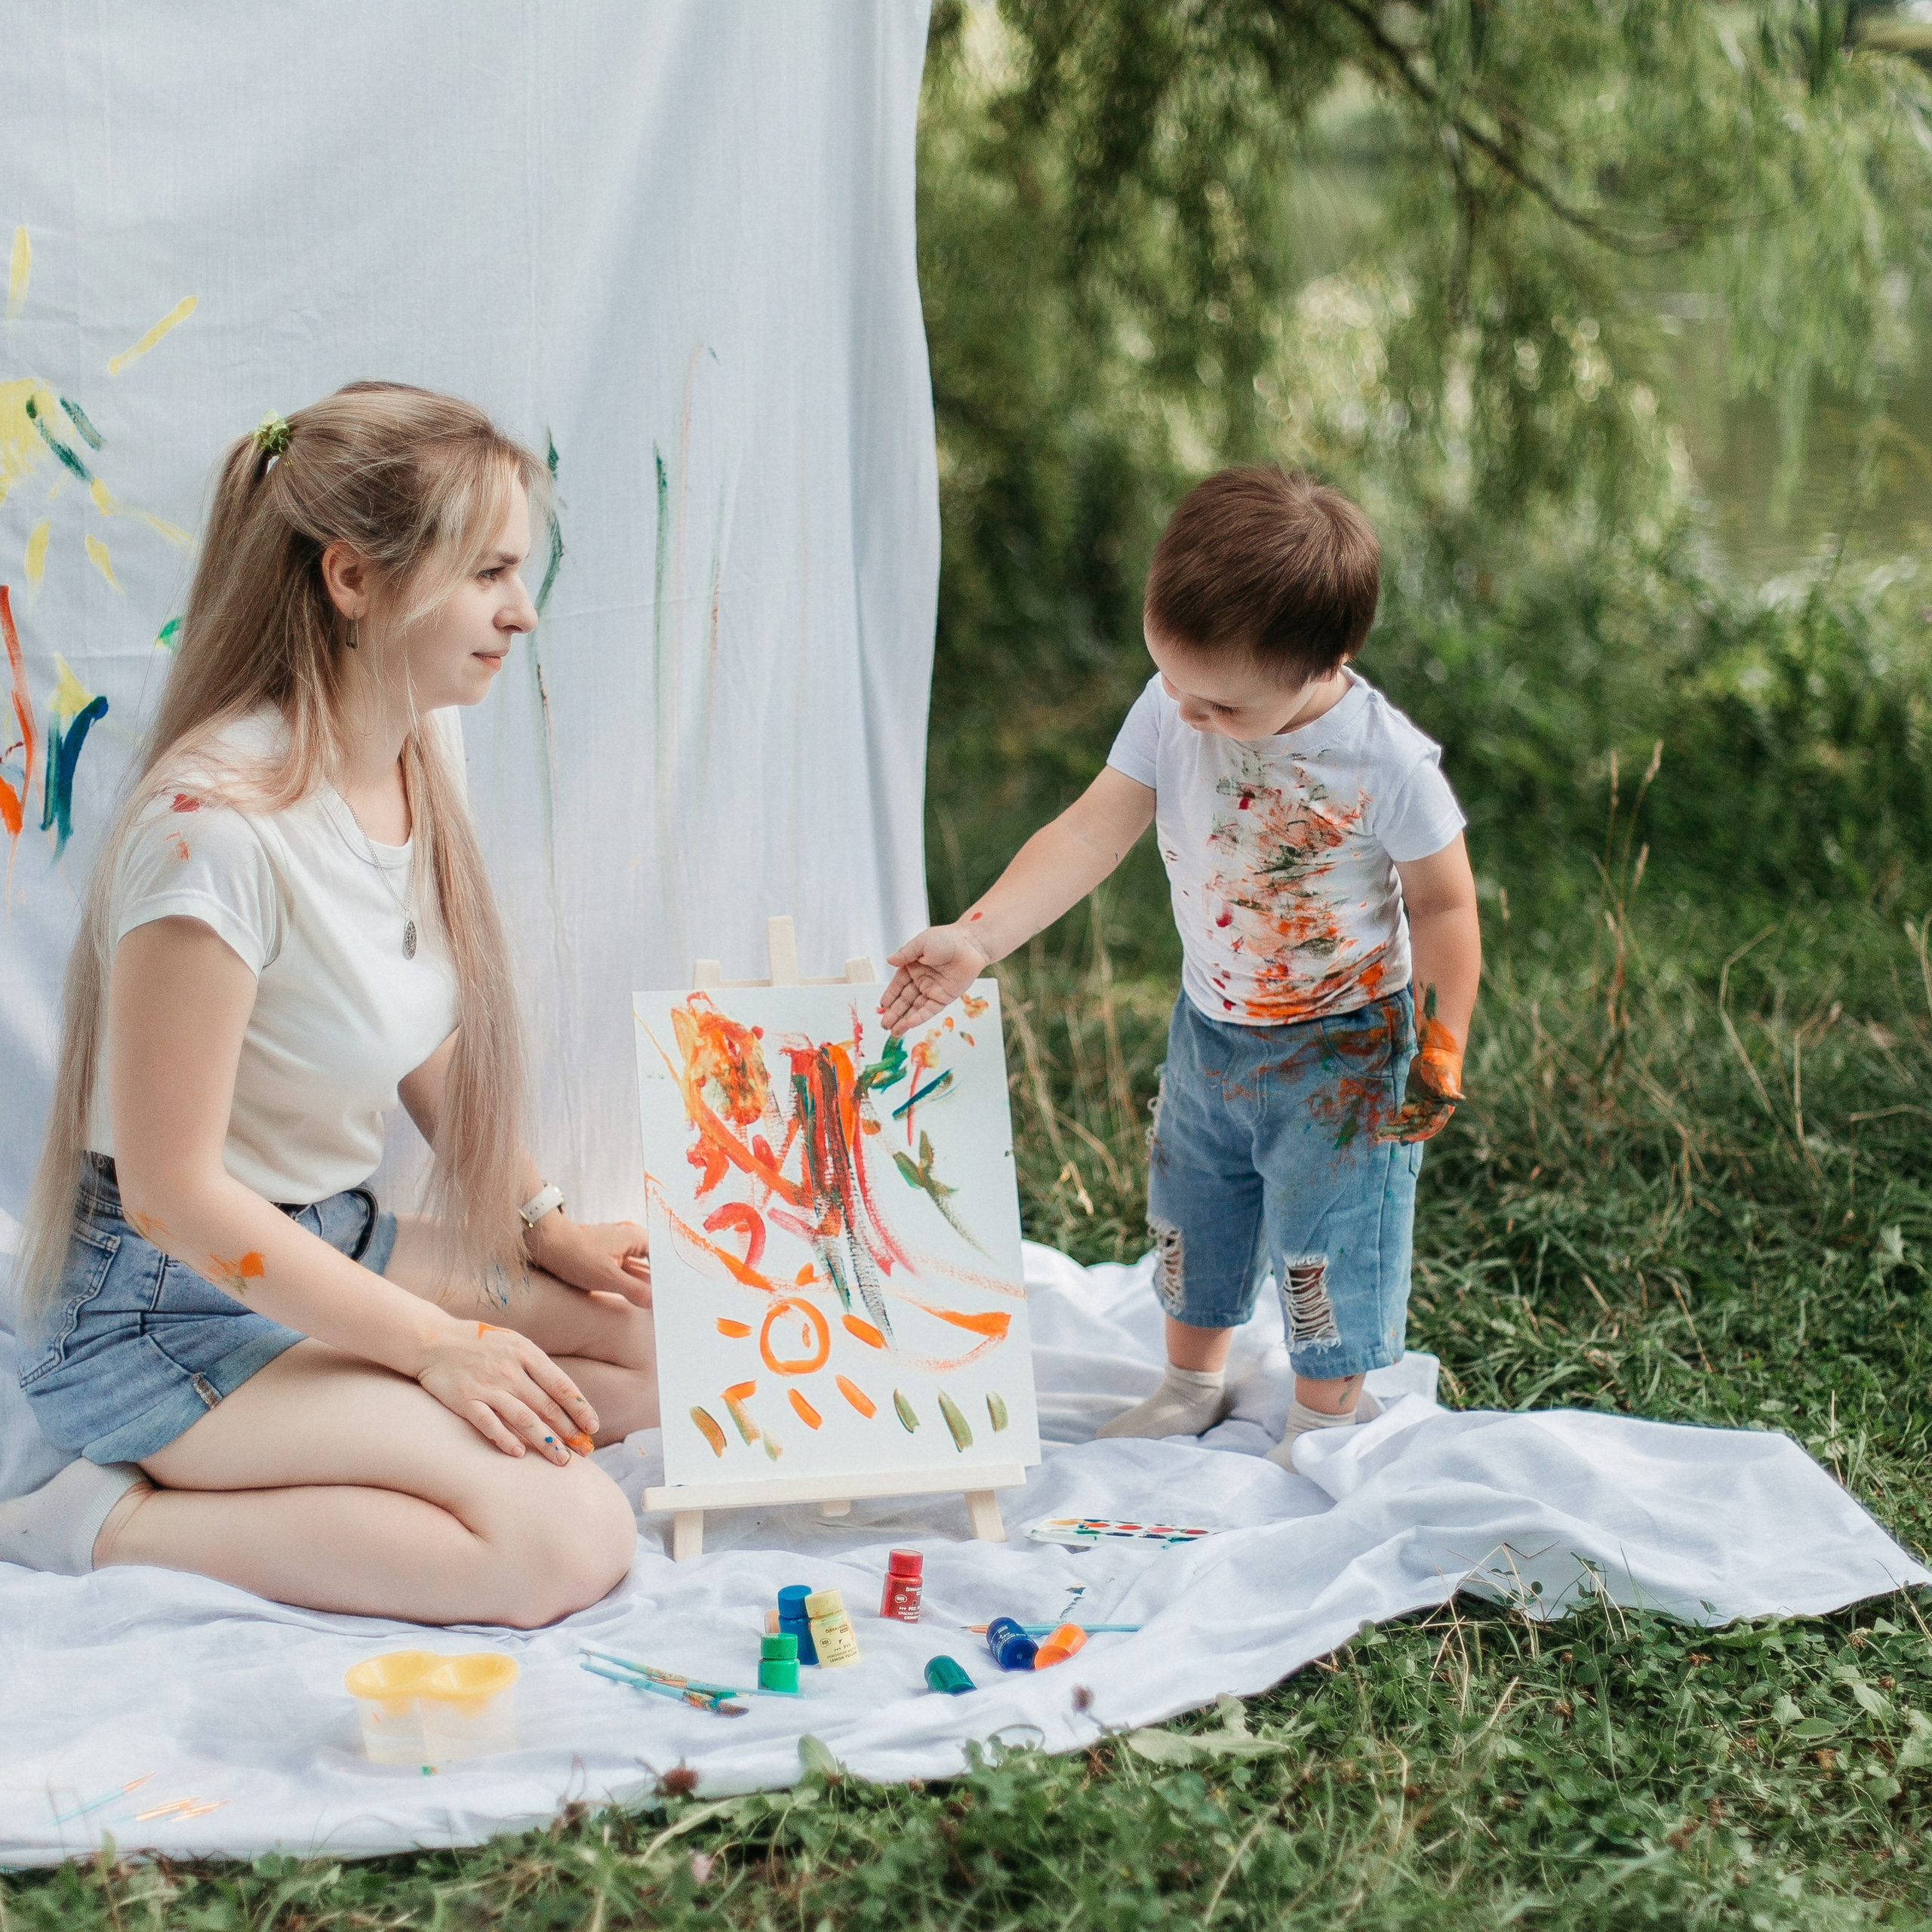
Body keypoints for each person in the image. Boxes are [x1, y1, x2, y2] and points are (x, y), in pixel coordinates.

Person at [1, 383, 656, 1623]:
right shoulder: (212, 832)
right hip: (160, 1306)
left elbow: (411, 1021)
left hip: (326, 1238)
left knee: (668, 1348)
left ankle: (345, 1427)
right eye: (489, 573)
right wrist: (432, 1348)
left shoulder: (416, 745)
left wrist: (541, 1222)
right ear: (353, 579)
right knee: (566, 1537)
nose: (522, 612)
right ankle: (89, 1520)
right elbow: (171, 1196)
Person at [880, 466, 1478, 1467]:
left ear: (1326, 661)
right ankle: (1191, 1383)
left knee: (1329, 1236)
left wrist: (1442, 1041)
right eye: (1175, 684)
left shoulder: (1386, 762)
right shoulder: (1173, 709)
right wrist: (977, 938)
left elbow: (1444, 905)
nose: (1192, 717)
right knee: (1193, 1211)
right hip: (1211, 1029)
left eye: (1224, 706)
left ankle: (1324, 1417)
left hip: (1344, 1052)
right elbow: (1090, 833)